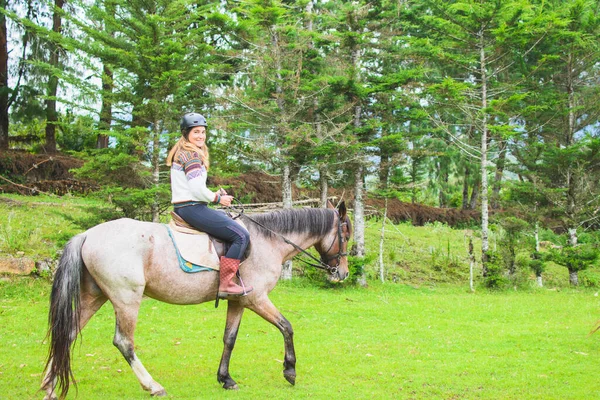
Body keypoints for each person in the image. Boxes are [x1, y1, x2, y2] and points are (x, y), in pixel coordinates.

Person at [166, 112, 253, 298]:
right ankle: (226, 284)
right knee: (240, 235)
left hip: (188, 206)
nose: (200, 136)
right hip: (192, 208)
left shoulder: (184, 153)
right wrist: (217, 199)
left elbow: (194, 187)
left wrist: (213, 194)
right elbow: (197, 189)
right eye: (196, 132)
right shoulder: (191, 155)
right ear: (186, 133)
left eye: (203, 132)